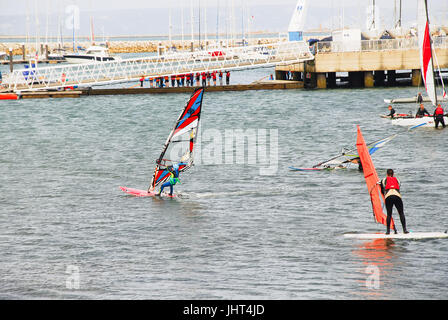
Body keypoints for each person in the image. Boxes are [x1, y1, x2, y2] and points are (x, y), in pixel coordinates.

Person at [380, 169, 408, 235]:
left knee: (389, 214)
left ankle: (388, 231)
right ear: (393, 174)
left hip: (388, 197)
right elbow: (398, 187)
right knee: (401, 213)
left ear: (387, 174)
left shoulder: (383, 180)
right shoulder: (397, 180)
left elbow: (382, 190)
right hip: (397, 196)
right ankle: (405, 230)